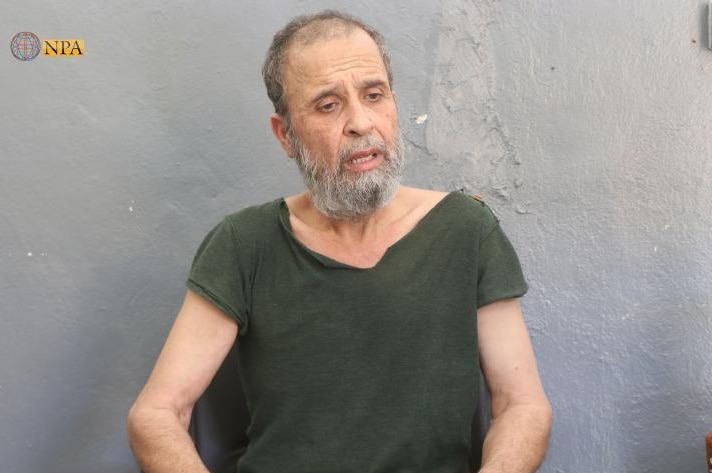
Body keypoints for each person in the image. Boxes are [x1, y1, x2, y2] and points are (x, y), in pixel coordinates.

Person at [127, 10, 552, 473]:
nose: (360, 122)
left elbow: (522, 405)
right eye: (328, 105)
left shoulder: (468, 230)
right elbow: (155, 414)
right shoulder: (242, 244)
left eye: (374, 95)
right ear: (285, 135)